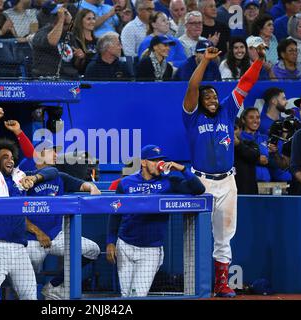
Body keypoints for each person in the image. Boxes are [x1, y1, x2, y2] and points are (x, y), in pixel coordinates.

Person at [182, 43, 265, 297]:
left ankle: (221, 283)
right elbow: (192, 87)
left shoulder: (228, 112)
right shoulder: (193, 116)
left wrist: (258, 62)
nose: (212, 99)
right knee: (195, 235)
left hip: (227, 182)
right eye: (207, 97)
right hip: (201, 183)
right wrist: (205, 61)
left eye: (214, 97)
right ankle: (194, 282)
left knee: (224, 235)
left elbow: (245, 84)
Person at [0, 107, 58, 300]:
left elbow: (35, 160)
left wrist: (19, 133)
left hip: (20, 249)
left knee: (30, 296)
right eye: (5, 157)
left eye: (12, 157)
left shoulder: (19, 178)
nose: (10, 160)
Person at [106, 144, 205, 297]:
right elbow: (115, 213)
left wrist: (182, 169)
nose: (159, 163)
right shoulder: (126, 183)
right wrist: (110, 241)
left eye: (160, 160)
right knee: (125, 294)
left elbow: (199, 189)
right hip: (125, 245)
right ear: (144, 162)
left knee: (138, 295)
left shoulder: (169, 182)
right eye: (154, 160)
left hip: (150, 250)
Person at [21, 140, 101, 300]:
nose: (57, 154)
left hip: (56, 237)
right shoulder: (25, 177)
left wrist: (92, 187)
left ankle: (54, 286)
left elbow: (82, 185)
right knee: (24, 281)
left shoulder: (59, 176)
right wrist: (38, 233)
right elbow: (16, 214)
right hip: (31, 240)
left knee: (93, 249)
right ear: (40, 154)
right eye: (52, 151)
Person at [31, 5, 78, 78]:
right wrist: (61, 20)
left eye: (66, 12)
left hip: (69, 76)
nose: (68, 14)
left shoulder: (69, 35)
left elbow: (75, 62)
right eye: (64, 13)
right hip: (47, 76)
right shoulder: (42, 33)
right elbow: (53, 42)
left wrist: (80, 57)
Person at [239, 108, 271, 182]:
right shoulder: (239, 138)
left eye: (258, 117)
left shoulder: (265, 138)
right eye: (251, 117)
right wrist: (257, 159)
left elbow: (272, 160)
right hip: (247, 182)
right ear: (243, 120)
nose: (255, 121)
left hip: (266, 182)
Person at [234, 118, 260, 194]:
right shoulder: (218, 147)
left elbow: (254, 156)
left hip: (247, 191)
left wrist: (238, 144)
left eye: (234, 128)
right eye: (228, 128)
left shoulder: (250, 144)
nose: (231, 132)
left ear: (240, 130)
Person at [72, 9, 97, 75]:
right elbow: (76, 66)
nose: (92, 21)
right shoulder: (75, 40)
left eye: (93, 18)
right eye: (89, 19)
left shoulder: (98, 40)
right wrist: (80, 58)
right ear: (80, 21)